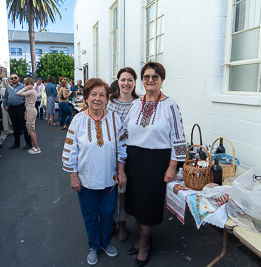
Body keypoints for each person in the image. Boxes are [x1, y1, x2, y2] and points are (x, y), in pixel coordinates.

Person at [123, 62, 187, 267]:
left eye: (155, 77)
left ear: (161, 79)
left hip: (157, 162)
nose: (150, 80)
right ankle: (143, 238)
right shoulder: (134, 104)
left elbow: (178, 139)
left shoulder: (170, 105)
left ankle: (145, 244)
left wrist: (172, 167)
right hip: (134, 160)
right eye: (146, 77)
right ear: (142, 80)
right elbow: (124, 133)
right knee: (135, 202)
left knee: (148, 206)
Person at [62, 78, 127, 266]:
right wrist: (73, 177)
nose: (97, 98)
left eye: (102, 95)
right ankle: (94, 245)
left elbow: (122, 147)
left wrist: (121, 171)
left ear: (107, 98)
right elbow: (70, 150)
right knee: (90, 214)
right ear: (86, 97)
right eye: (93, 94)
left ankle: (105, 242)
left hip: (110, 178)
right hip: (85, 178)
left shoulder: (115, 119)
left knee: (107, 212)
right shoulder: (78, 120)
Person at [107, 67, 139, 242]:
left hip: (132, 152)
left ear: (134, 82)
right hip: (110, 151)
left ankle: (122, 222)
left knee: (125, 189)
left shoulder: (139, 103)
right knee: (111, 188)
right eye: (123, 79)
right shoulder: (109, 101)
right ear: (118, 81)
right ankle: (111, 221)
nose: (126, 83)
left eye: (130, 80)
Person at [3, 73, 32, 150]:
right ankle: (16, 143)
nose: (14, 79)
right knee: (15, 126)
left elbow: (27, 98)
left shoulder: (23, 86)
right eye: (12, 78)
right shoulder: (8, 87)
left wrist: (26, 110)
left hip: (21, 108)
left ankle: (28, 143)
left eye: (15, 77)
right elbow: (6, 97)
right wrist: (5, 105)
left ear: (18, 78)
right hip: (12, 108)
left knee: (24, 126)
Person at [16, 78, 41, 154]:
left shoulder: (31, 92)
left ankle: (37, 147)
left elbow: (18, 93)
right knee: (31, 129)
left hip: (31, 110)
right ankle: (35, 146)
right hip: (30, 110)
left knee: (30, 129)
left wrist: (27, 87)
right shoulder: (32, 92)